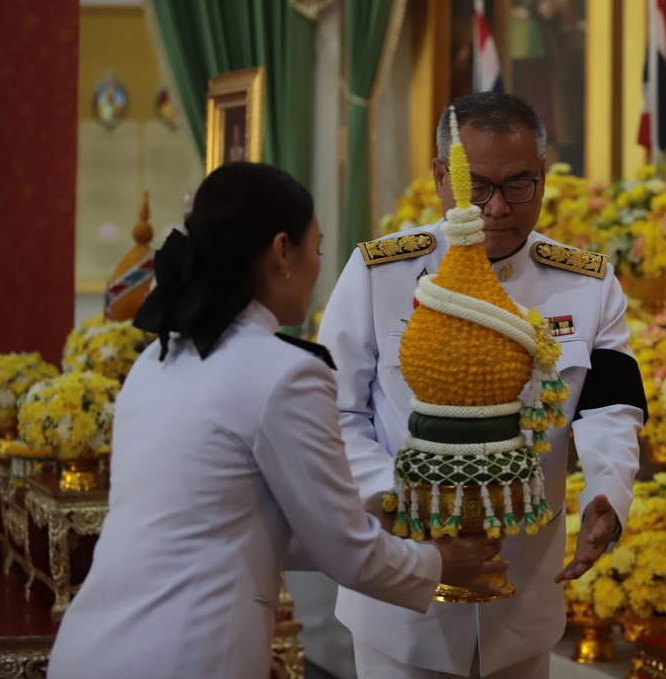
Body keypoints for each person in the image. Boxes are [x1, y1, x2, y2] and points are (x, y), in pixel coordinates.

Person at [47, 162, 504, 679]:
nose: (319, 267)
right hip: (186, 650)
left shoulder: (158, 359)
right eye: (318, 249)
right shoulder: (285, 373)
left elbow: (239, 522)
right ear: (282, 251)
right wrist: (444, 562)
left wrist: (393, 521)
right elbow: (348, 555)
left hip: (91, 644)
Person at [319, 92, 646, 678]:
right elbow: (335, 415)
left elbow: (611, 408)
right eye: (478, 187)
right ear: (442, 177)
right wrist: (399, 502)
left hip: (522, 593)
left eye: (520, 185)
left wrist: (609, 494)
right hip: (404, 589)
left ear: (543, 175)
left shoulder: (587, 285)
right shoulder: (381, 273)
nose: (498, 208)